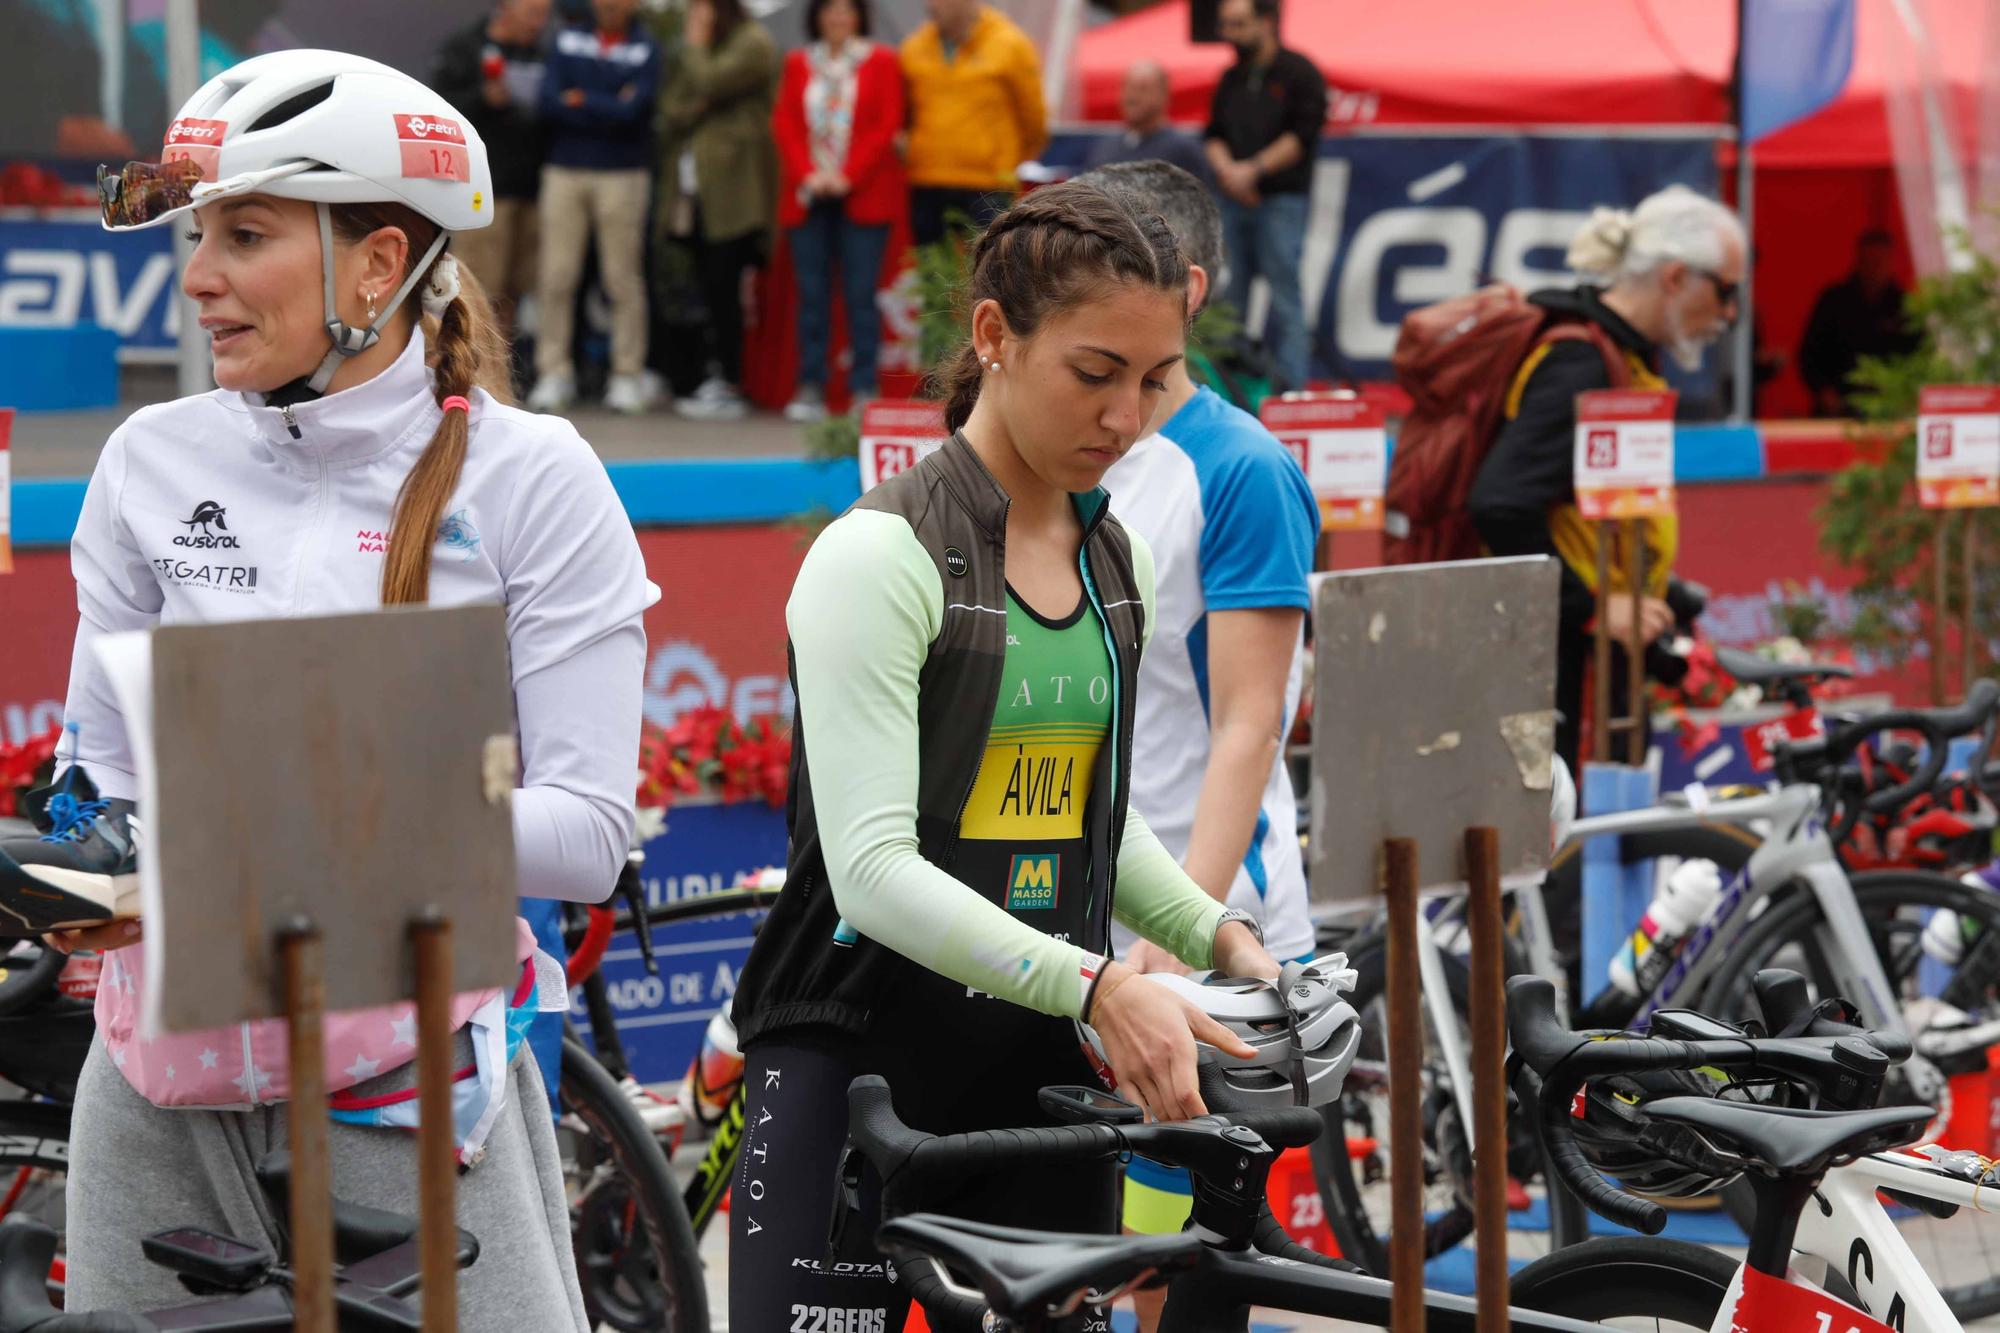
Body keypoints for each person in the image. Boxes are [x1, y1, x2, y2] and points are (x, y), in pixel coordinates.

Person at [27, 49, 648, 1325]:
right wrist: (82, 865)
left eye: (244, 233)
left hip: (409, 1085)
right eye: (199, 233)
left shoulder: (535, 479)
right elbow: (109, 789)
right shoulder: (149, 458)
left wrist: (299, 811)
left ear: (378, 264)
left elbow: (588, 839)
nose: (197, 276)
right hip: (159, 1088)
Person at [725, 179, 1282, 1332]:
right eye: (1093, 373)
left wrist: (1220, 937)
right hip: (858, 1061)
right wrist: (1100, 983)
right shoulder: (877, 554)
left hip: (1033, 1074)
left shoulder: (1104, 549)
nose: (1125, 416)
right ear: (991, 336)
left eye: (1154, 380)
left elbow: (1089, 813)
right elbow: (872, 869)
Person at [1083, 159, 1317, 1331]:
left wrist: (1180, 934)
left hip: (1200, 920)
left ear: (1182, 288)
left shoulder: (1238, 468)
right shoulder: (1055, 447)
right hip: (1068, 932)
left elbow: (1247, 721)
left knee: (1174, 1276)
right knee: (1088, 1265)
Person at [1467, 185, 1743, 773]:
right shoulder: (1582, 362)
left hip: (1590, 658)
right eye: (1725, 291)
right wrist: (1594, 607)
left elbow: (1580, 510)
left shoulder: (1619, 355)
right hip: (1558, 664)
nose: (1731, 314)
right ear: (1674, 277)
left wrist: (1651, 590)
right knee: (1567, 842)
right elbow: (1500, 503)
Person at [527, 0, 662, 415]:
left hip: (623, 175)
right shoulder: (567, 38)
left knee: (622, 278)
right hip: (565, 171)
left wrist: (581, 98)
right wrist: (608, 101)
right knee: (556, 276)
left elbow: (634, 111)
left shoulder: (646, 48)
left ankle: (626, 375)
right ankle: (554, 373)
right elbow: (549, 102)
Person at [771, 0, 903, 422]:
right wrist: (809, 174)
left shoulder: (881, 60)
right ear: (817, 17)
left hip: (862, 193)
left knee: (861, 294)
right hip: (809, 194)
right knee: (812, 294)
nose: (837, 18)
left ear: (859, 17)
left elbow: (886, 124)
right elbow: (786, 124)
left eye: (845, 11)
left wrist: (848, 175)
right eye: (830, 11)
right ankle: (811, 384)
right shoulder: (798, 62)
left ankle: (864, 385)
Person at [657, 0, 779, 422]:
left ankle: (731, 381)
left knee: (727, 287)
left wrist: (694, 49)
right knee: (705, 289)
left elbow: (710, 80)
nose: (695, 13)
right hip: (694, 195)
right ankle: (712, 375)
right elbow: (671, 109)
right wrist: (702, 98)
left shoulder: (753, 42)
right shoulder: (705, 50)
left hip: (735, 192)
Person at [1203, 0, 1325, 391]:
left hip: (1280, 199)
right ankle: (1233, 383)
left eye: (1238, 24)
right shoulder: (1231, 77)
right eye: (1226, 25)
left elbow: (1303, 135)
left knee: (1285, 292)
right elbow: (1213, 134)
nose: (1230, 35)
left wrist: (1253, 171)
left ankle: (1291, 388)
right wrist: (1229, 173)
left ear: (1267, 21)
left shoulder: (1299, 73)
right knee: (1231, 296)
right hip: (1236, 199)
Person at [430, 0, 553, 347]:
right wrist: (484, 98)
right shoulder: (465, 46)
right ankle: (464, 365)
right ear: (506, 7)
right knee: (478, 288)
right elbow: (439, 106)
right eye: (532, 12)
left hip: (531, 190)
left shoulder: (542, 54)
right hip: (485, 191)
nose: (538, 22)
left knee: (517, 291)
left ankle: (501, 368)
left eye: (544, 14)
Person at [900, 0, 1047, 247]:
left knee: (988, 268)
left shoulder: (1010, 44)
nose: (931, 6)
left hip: (988, 183)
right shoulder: (913, 48)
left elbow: (1033, 117)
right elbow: (904, 112)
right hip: (927, 178)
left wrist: (1008, 160)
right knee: (931, 272)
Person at [1799, 228, 1918, 417]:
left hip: (1889, 408)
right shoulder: (1834, 301)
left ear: (1890, 262)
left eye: (1880, 262)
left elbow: (1917, 359)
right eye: (1868, 261)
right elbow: (1809, 353)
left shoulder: (1905, 306)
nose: (1874, 268)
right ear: (1858, 261)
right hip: (1838, 406)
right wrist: (1823, 391)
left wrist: (1905, 396)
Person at [1080, 61, 1209, 184]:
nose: (1132, 96)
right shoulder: (1104, 147)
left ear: (1164, 95)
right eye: (1127, 87)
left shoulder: (1183, 151)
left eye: (1143, 88)